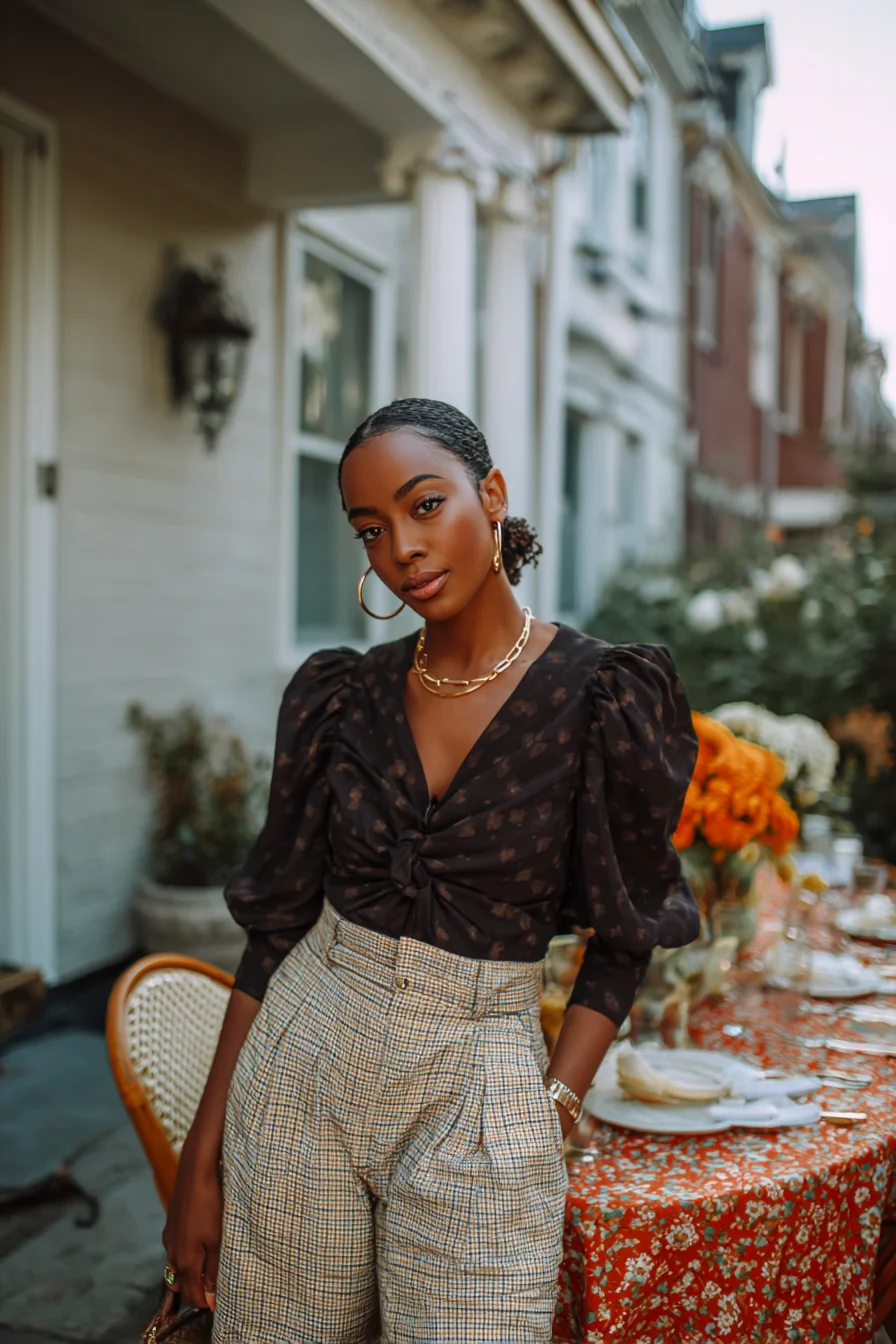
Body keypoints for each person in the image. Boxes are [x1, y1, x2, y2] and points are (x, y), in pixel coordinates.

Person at [162, 398, 700, 1344]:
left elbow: (625, 937)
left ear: (490, 495)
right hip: (302, 1060)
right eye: (372, 530)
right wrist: (198, 1159)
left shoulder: (602, 695)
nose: (401, 549)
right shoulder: (342, 695)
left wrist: (552, 1109)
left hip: (483, 1080)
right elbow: (276, 926)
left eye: (424, 505)